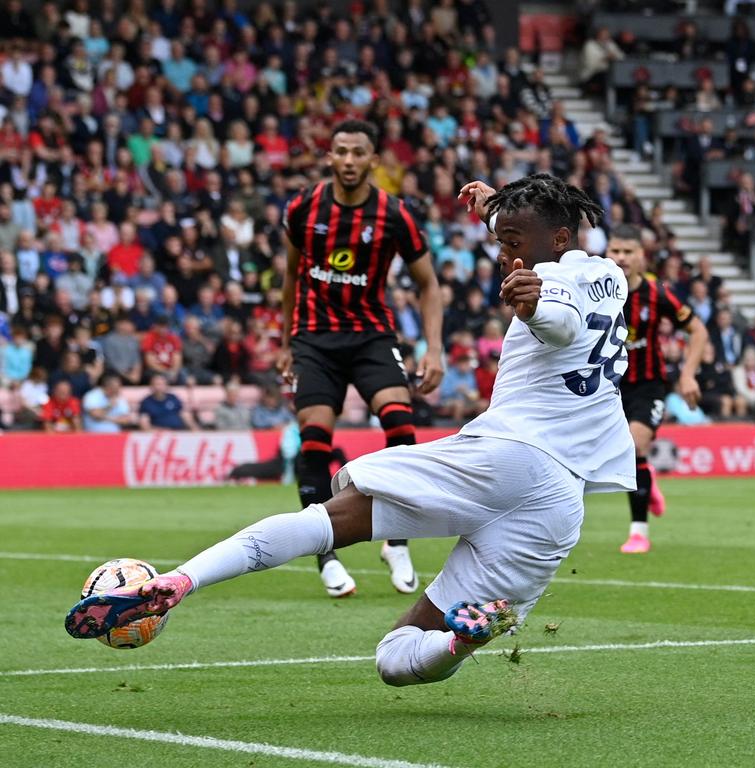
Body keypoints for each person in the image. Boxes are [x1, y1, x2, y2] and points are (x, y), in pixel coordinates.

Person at [65, 173, 635, 690]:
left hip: (508, 457)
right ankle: (464, 638)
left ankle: (182, 581)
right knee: (397, 660)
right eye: (500, 240)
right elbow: (549, 266)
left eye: (513, 241)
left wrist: (533, 309)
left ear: (558, 240)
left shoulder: (549, 281)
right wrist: (494, 209)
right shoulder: (607, 274)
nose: (505, 252)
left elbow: (559, 320)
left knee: (330, 520)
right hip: (559, 502)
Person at [276, 120, 444, 598]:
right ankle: (323, 553)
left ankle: (398, 540)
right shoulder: (303, 208)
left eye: (358, 153)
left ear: (374, 161)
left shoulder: (395, 214)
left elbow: (429, 284)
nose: (349, 161)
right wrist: (286, 341)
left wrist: (434, 348)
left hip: (371, 334)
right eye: (341, 152)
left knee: (401, 426)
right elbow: (290, 276)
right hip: (313, 337)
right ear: (330, 156)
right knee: (314, 439)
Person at [606, 225, 708, 554]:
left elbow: (698, 330)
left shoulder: (657, 294)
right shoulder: (597, 291)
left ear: (640, 257)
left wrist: (688, 374)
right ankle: (648, 484)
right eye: (615, 251)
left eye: (627, 252)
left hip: (648, 384)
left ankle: (638, 533)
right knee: (620, 457)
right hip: (607, 385)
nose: (620, 257)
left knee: (635, 446)